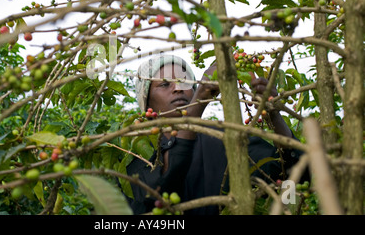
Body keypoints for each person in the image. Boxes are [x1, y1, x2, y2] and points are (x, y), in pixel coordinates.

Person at [125, 54, 307, 215]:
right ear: (147, 102)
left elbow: (294, 174)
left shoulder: (226, 139)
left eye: (185, 82)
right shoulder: (135, 154)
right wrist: (200, 100)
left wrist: (274, 115)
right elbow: (161, 186)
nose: (178, 88)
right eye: (164, 84)